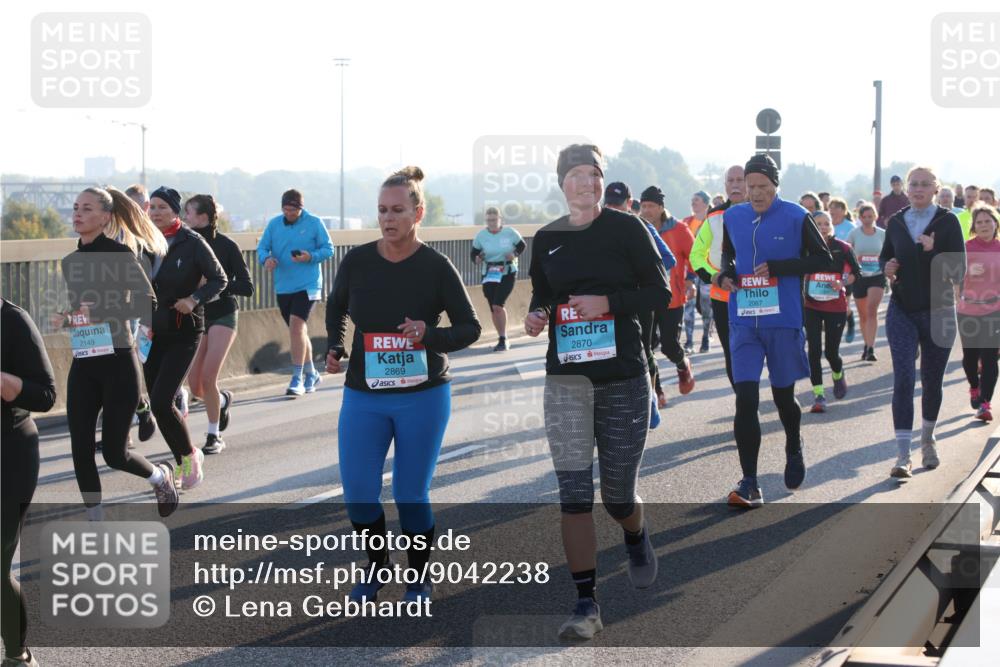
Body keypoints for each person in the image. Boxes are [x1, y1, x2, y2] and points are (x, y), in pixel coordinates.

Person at [524, 144, 669, 640]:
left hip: (622, 377)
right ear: (562, 183)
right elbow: (543, 295)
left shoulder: (628, 228)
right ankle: (586, 603)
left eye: (594, 175)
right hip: (565, 379)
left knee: (617, 495)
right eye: (577, 176)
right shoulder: (546, 239)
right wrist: (536, 315)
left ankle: (635, 533)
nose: (587, 183)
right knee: (573, 495)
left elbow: (661, 292)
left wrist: (608, 300)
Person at [326, 166, 481, 606]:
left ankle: (418, 577)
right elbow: (336, 308)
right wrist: (335, 346)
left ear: (418, 212)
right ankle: (376, 568)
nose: (387, 218)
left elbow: (469, 328)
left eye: (397, 210)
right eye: (381, 210)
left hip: (423, 396)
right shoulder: (356, 261)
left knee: (411, 493)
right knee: (358, 492)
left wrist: (427, 335)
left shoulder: (436, 266)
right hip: (365, 396)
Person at [712, 154, 832, 507]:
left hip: (783, 320)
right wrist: (726, 275)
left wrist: (781, 267)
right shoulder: (733, 216)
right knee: (745, 397)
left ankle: (793, 444)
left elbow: (824, 260)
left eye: (763, 187)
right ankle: (749, 481)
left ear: (775, 186)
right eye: (751, 188)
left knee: (783, 396)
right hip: (744, 319)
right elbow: (728, 259)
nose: (756, 194)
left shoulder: (796, 215)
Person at [54, 187, 180, 521]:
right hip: (84, 361)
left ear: (106, 217)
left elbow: (147, 303)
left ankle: (159, 476)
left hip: (118, 361)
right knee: (80, 450)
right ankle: (97, 525)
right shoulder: (71, 262)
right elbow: (79, 307)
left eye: (87, 209)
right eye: (76, 207)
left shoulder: (120, 255)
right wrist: (67, 317)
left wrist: (104, 310)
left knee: (114, 453)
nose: (78, 214)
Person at [881, 166, 966, 478]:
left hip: (939, 310)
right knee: (903, 379)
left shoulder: (948, 221)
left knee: (932, 380)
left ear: (935, 189)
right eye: (913, 184)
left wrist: (935, 250)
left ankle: (928, 439)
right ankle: (903, 456)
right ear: (906, 188)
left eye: (924, 184)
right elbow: (885, 257)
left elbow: (959, 271)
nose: (917, 189)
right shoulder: (896, 221)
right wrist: (886, 266)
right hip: (902, 308)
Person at [145, 186, 227, 490]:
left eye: (161, 208)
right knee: (157, 405)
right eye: (151, 207)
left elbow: (220, 279)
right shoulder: (144, 241)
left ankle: (189, 459)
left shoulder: (192, 242)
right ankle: (184, 456)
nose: (154, 213)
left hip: (184, 329)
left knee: (162, 399)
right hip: (151, 330)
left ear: (175, 212)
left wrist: (193, 299)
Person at [2, 300, 55, 667]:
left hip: (10, 454)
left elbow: (46, 395)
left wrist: (6, 382)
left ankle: (17, 655)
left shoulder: (13, 320)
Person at [184, 195, 254, 454]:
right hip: (199, 315)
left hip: (224, 314)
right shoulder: (186, 244)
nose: (184, 218)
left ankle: (214, 435)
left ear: (202, 216)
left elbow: (247, 287)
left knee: (208, 375)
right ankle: (223, 399)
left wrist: (216, 286)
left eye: (188, 213)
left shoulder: (226, 245)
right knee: (196, 385)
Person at [603, 181, 676, 424]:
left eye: (617, 204)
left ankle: (651, 400)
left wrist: (644, 276)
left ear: (628, 203)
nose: (614, 208)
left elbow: (668, 259)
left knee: (642, 351)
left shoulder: (641, 226)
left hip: (637, 301)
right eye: (610, 204)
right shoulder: (593, 226)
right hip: (607, 303)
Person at [257, 189, 334, 396]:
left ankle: (297, 378)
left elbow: (329, 249)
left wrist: (310, 256)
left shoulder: (314, 222)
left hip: (308, 285)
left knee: (296, 327)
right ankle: (312, 373)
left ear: (301, 207)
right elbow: (262, 248)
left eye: (294, 209)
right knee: (298, 332)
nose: (290, 213)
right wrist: (267, 260)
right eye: (286, 209)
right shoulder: (274, 224)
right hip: (284, 285)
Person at [691, 165, 746, 386]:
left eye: (740, 180)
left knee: (759, 352)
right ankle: (745, 403)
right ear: (725, 186)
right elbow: (696, 256)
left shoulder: (764, 211)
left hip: (760, 296)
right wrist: (716, 277)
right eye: (730, 181)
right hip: (723, 297)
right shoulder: (714, 215)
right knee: (732, 354)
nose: (735, 184)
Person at [804, 211, 862, 412]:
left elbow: (857, 272)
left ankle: (838, 374)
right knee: (813, 351)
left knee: (831, 352)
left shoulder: (843, 248)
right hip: (811, 305)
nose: (823, 227)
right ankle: (818, 395)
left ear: (832, 225)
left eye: (826, 223)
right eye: (818, 223)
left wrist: (842, 282)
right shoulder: (805, 248)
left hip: (835, 306)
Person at [646, 187, 696, 396]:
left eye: (650, 206)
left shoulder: (679, 229)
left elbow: (695, 255)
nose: (646, 210)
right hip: (646, 297)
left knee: (669, 345)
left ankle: (682, 365)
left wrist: (690, 279)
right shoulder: (639, 228)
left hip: (673, 298)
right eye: (644, 206)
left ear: (660, 207)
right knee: (645, 347)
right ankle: (656, 392)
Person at [958, 203, 1000, 422]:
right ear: (974, 226)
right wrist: (966, 270)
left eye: (988, 221)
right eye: (979, 222)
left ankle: (984, 404)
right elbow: (949, 275)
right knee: (970, 357)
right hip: (968, 309)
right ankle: (974, 386)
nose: (984, 225)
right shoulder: (966, 247)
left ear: (995, 223)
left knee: (990, 358)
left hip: (995, 310)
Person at [471, 207, 525, 352]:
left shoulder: (510, 233)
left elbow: (522, 246)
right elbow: (474, 255)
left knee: (497, 305)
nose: (492, 223)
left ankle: (503, 338)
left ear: (500, 219)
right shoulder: (481, 236)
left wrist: (514, 254)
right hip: (489, 273)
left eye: (494, 220)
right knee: (493, 307)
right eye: (489, 220)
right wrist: (478, 258)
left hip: (507, 271)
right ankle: (501, 336)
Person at [848, 202, 888, 361]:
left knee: (872, 310)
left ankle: (871, 348)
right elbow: (847, 253)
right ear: (859, 218)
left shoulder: (882, 234)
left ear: (875, 217)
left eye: (870, 216)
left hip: (877, 276)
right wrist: (854, 263)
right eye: (864, 217)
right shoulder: (854, 234)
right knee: (863, 315)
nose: (867, 219)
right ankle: (866, 344)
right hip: (860, 277)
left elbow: (888, 252)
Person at [683, 191, 714, 354]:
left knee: (706, 307)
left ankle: (705, 338)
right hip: (690, 272)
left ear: (706, 203)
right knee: (688, 307)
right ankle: (688, 342)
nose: (693, 202)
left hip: (707, 271)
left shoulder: (712, 221)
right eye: (692, 200)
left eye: (697, 200)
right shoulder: (686, 222)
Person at [829, 197, 858, 342]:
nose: (833, 210)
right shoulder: (825, 225)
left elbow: (854, 249)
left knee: (844, 304)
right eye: (831, 207)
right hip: (827, 272)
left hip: (845, 271)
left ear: (843, 210)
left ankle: (850, 323)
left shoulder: (850, 227)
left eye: (837, 207)